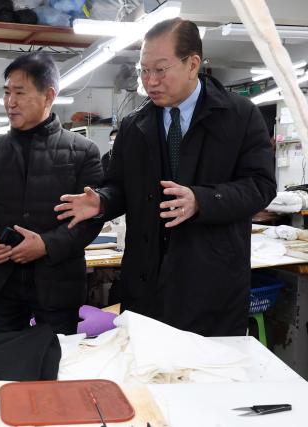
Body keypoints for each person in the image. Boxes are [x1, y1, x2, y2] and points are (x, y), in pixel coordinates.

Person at [55, 18, 276, 337]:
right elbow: (119, 185)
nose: (150, 81)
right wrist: (102, 201)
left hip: (210, 283)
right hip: (146, 282)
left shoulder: (240, 117)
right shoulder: (135, 125)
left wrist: (202, 200)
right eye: (144, 71)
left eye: (160, 69)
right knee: (146, 374)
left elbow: (261, 185)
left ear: (192, 64)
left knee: (201, 376)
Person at [0, 52, 104, 335]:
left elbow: (91, 219)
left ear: (48, 95)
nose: (10, 102)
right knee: (5, 363)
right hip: (3, 282)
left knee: (56, 362)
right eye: (6, 93)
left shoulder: (83, 151)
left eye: (20, 92)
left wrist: (46, 244)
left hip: (58, 284)